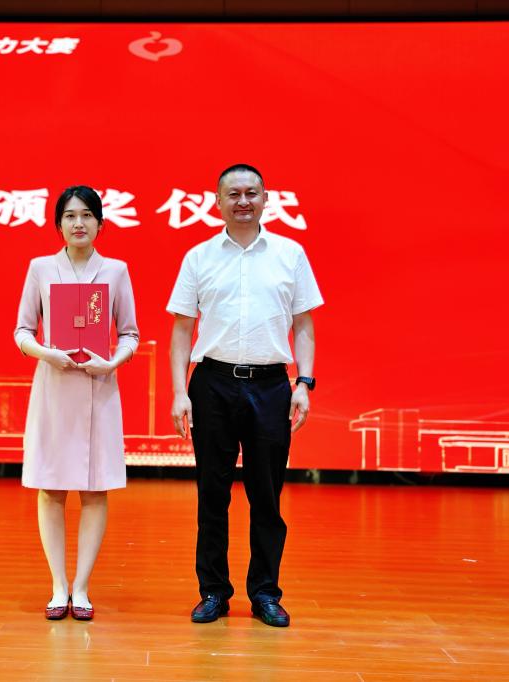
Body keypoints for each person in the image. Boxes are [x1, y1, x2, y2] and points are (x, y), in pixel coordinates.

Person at [167, 164, 323, 628]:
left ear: (265, 199)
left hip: (271, 386)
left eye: (251, 193)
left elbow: (304, 324)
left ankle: (265, 593)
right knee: (212, 495)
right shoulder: (199, 257)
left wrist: (304, 382)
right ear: (217, 202)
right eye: (233, 194)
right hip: (212, 384)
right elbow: (182, 329)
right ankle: (213, 591)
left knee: (267, 496)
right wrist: (179, 391)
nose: (243, 201)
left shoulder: (290, 254)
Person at [14, 185, 139, 621]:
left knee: (94, 488)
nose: (79, 223)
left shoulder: (116, 271)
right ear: (59, 225)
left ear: (101, 224)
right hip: (54, 386)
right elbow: (22, 331)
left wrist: (113, 362)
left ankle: (81, 588)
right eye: (70, 216)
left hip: (99, 389)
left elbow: (130, 334)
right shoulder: (41, 268)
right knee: (51, 487)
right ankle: (58, 586)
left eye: (87, 215)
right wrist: (47, 353)